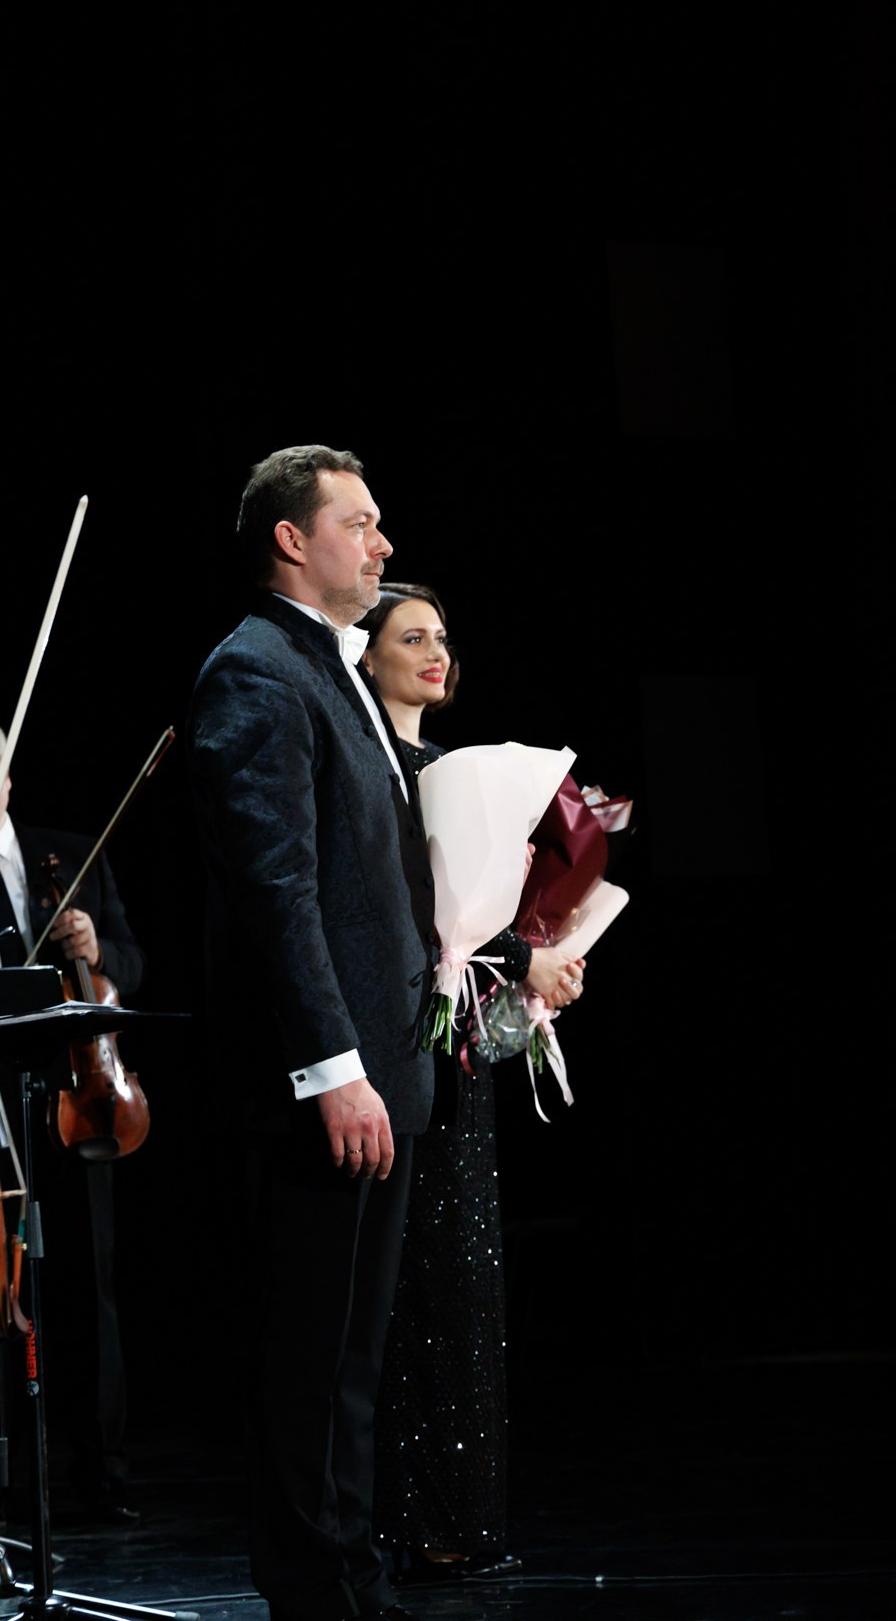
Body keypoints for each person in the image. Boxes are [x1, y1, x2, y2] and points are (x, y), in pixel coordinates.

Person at [187, 445, 436, 1621]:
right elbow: (277, 890)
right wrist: (333, 1069)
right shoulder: (257, 672)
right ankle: (316, 1589)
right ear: (293, 540)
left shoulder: (332, 675)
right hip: (326, 1089)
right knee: (307, 1359)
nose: (382, 545)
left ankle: (348, 1577)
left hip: (381, 1072)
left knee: (350, 1359)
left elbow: (374, 881)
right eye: (361, 522)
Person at [359, 582, 585, 1582]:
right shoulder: (370, 768)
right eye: (411, 637)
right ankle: (414, 1517)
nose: (434, 651)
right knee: (412, 1289)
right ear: (363, 656)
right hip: (397, 1053)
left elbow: (478, 914)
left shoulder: (454, 768)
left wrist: (541, 958)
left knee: (465, 1288)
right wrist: (511, 955)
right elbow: (409, 920)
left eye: (441, 636)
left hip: (459, 1059)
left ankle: (465, 1513)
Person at [0, 712, 147, 1526]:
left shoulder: (70, 854)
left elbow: (134, 965)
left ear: (8, 777)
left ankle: (100, 1466)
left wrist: (99, 947)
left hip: (74, 1094)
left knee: (89, 1284)